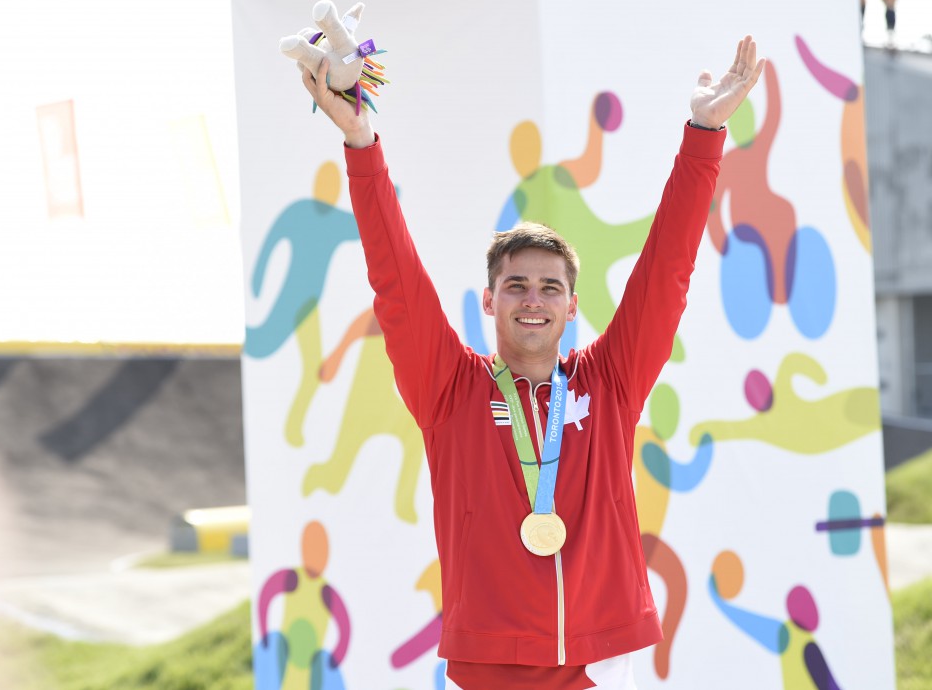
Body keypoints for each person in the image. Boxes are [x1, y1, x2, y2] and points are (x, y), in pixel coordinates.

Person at [299, 36, 764, 688]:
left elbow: (667, 272)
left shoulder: (610, 380)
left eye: (550, 288)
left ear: (572, 306)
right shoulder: (449, 388)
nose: (533, 301)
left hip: (600, 661)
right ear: (490, 299)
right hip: (489, 662)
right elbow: (395, 281)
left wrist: (704, 135)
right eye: (516, 285)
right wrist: (360, 144)